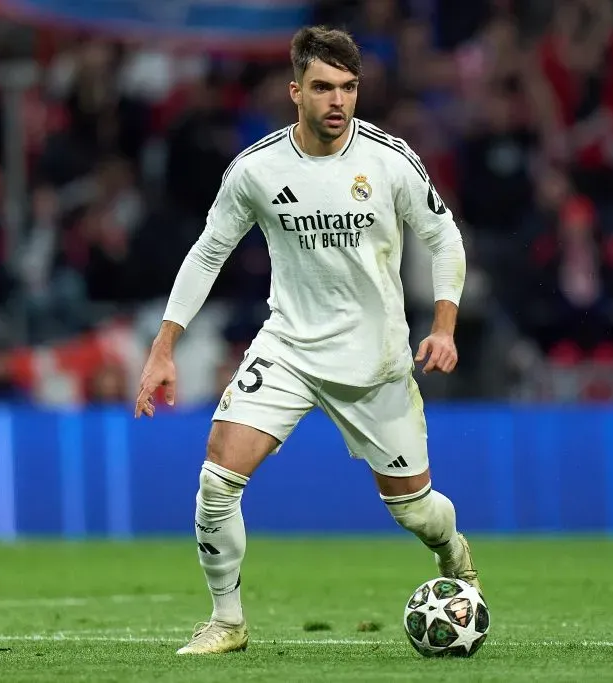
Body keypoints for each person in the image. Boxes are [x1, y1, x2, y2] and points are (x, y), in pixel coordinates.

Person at [133, 26, 480, 655]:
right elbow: (209, 251)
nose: (338, 101)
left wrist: (445, 325)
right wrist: (163, 347)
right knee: (216, 480)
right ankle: (227, 622)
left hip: (375, 362)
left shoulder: (389, 160)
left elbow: (443, 237)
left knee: (417, 513)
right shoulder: (257, 169)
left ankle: (454, 554)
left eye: (348, 88)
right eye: (323, 87)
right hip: (288, 348)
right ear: (296, 91)